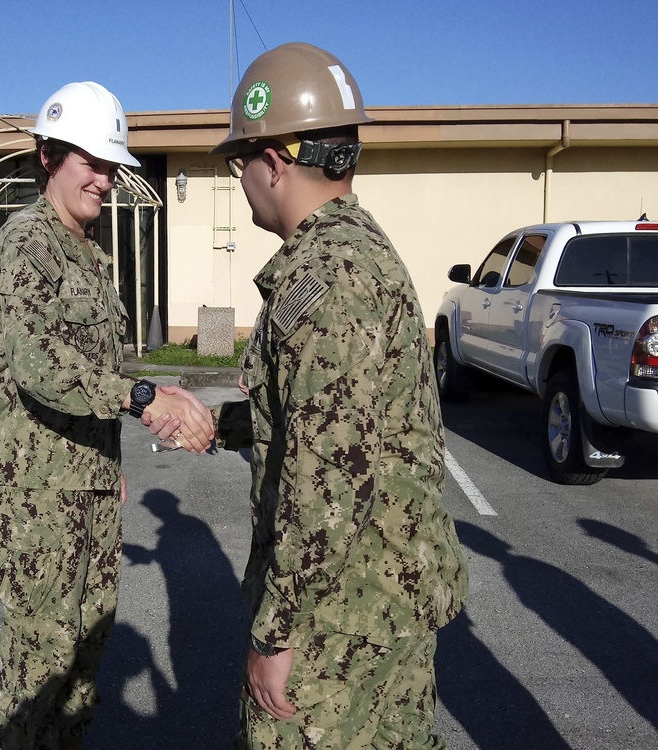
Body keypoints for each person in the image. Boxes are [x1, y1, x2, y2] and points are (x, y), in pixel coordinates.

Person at [156, 43, 469, 748]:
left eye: (240, 163)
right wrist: (226, 424)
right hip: (378, 601)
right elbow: (326, 416)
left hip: (341, 619)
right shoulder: (355, 251)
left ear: (273, 160)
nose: (242, 180)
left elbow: (329, 478)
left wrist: (278, 630)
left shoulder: (329, 278)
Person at [0, 81, 214, 749]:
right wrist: (143, 401)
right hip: (35, 490)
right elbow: (40, 364)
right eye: (92, 162)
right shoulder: (28, 241)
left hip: (85, 481)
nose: (105, 180)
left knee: (87, 647)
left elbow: (92, 371)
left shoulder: (87, 252)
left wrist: (111, 454)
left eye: (112, 166)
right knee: (42, 660)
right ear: (49, 155)